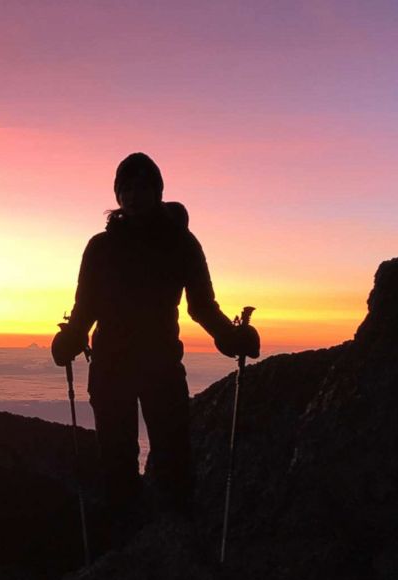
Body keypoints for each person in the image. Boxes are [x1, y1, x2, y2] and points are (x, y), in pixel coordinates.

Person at [52, 152, 259, 536]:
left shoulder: (180, 243)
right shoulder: (101, 247)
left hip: (157, 364)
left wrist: (229, 337)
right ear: (116, 195)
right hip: (116, 366)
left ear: (158, 192)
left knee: (172, 458)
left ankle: (168, 544)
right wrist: (72, 336)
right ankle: (133, 548)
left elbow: (202, 306)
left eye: (142, 187)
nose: (133, 195)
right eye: (125, 188)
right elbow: (86, 308)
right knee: (119, 460)